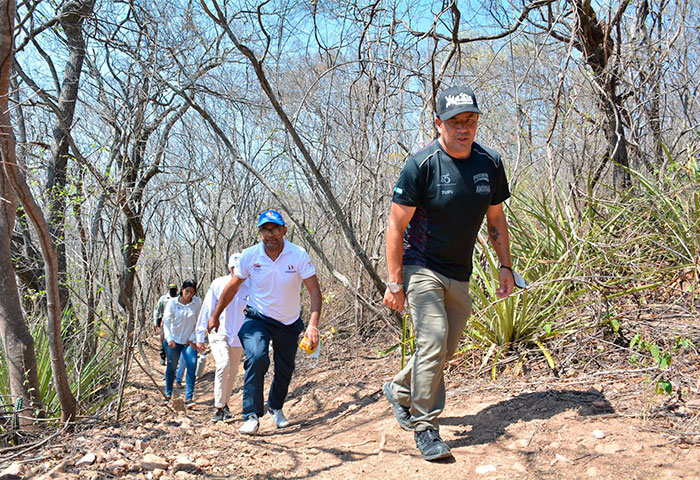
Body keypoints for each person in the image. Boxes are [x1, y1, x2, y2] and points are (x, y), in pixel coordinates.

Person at [382, 85, 514, 461]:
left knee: (446, 347)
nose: (463, 128)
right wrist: (395, 283)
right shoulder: (421, 165)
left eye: (470, 120)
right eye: (454, 121)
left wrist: (505, 266)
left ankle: (400, 388)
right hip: (420, 266)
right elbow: (395, 226)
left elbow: (496, 218)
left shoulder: (490, 162)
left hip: (460, 272)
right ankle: (425, 427)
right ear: (438, 123)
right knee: (434, 338)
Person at [209, 209, 321, 435]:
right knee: (257, 357)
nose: (270, 235)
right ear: (260, 233)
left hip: (289, 322)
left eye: (275, 229)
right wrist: (215, 314)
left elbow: (314, 290)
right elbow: (232, 286)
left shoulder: (298, 254)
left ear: (284, 231)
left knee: (285, 367)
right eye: (265, 230)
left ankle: (276, 408)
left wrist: (313, 324)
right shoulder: (250, 255)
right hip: (257, 318)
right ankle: (251, 415)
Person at [196, 252, 249, 423]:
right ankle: (219, 407)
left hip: (238, 335)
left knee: (233, 371)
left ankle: (225, 405)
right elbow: (207, 309)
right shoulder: (218, 284)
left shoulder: (250, 286)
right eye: (233, 267)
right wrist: (199, 336)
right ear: (229, 267)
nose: (236, 271)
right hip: (218, 333)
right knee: (223, 364)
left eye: (239, 267)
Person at [163, 279, 202, 406]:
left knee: (192, 364)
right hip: (173, 341)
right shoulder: (172, 303)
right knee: (172, 367)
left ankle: (189, 398)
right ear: (182, 290)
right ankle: (168, 394)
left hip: (188, 341)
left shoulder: (197, 303)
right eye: (187, 291)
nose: (189, 295)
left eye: (192, 292)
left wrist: (193, 338)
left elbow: (198, 322)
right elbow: (167, 322)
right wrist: (169, 339)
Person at [153, 283, 178, 365]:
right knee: (163, 338)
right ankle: (163, 357)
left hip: (176, 322)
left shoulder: (179, 298)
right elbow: (157, 310)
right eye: (171, 290)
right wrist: (155, 322)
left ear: (177, 290)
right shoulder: (163, 299)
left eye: (174, 290)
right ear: (168, 290)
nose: (173, 291)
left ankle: (173, 357)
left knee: (175, 340)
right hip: (165, 321)